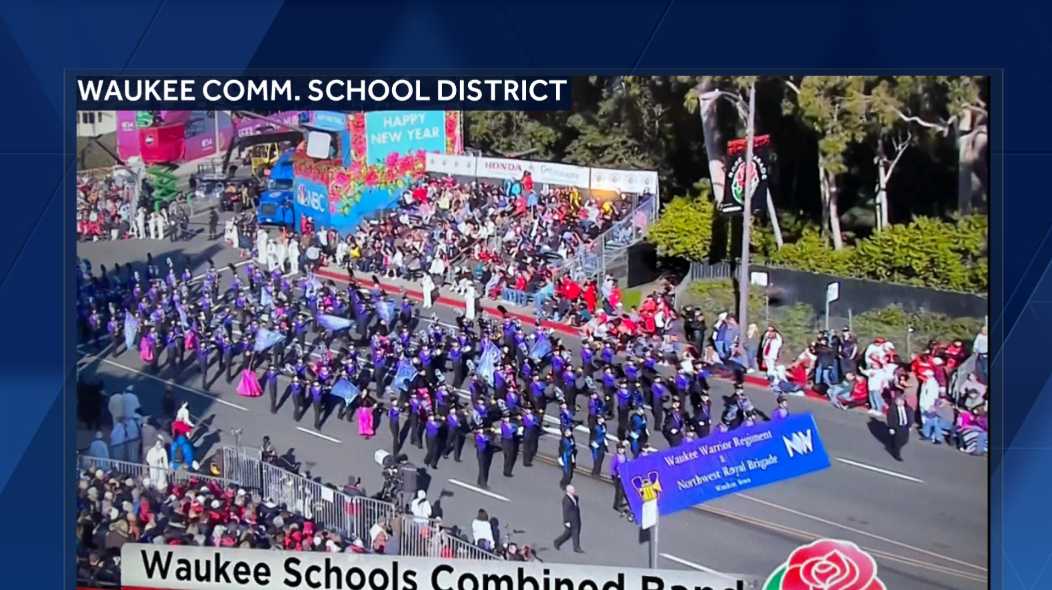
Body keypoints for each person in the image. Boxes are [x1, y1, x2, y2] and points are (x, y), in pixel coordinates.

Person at [552, 485, 583, 553]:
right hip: (570, 520)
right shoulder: (566, 500)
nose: (574, 491)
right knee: (568, 533)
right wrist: (566, 522)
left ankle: (576, 547)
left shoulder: (575, 497)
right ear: (568, 491)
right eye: (573, 490)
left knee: (576, 533)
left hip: (576, 518)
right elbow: (565, 512)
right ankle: (557, 541)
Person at [886, 395, 913, 462]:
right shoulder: (892, 409)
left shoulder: (908, 408)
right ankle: (896, 454)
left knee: (905, 440)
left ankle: (893, 444)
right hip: (897, 427)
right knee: (898, 442)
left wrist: (910, 425)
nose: (898, 402)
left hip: (905, 426)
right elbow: (890, 418)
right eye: (897, 401)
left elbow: (910, 417)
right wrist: (891, 428)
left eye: (900, 401)